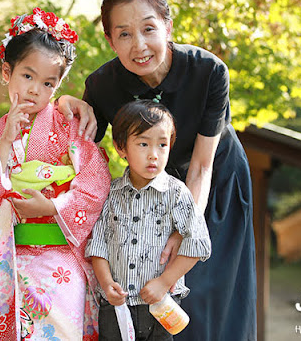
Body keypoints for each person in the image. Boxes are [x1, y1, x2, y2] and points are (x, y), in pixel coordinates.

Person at [60, 0, 256, 341]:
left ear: (168, 26)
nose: (139, 46)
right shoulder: (103, 84)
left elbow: (201, 166)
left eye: (149, 28)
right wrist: (63, 103)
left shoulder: (210, 71)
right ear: (109, 40)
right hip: (150, 189)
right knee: (154, 289)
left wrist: (185, 229)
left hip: (216, 181)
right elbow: (82, 148)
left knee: (208, 288)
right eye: (124, 34)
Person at [0, 8, 111, 340]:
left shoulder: (70, 126)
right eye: (27, 76)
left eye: (47, 83)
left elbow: (95, 185)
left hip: (60, 264)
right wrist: (5, 141)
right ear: (7, 71)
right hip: (6, 262)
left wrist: (53, 208)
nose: (35, 90)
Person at [86, 100, 211, 340]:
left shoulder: (177, 193)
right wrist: (106, 283)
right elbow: (98, 244)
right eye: (143, 144)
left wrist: (165, 282)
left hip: (161, 303)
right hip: (116, 305)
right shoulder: (111, 194)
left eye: (162, 145)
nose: (154, 154)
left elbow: (198, 243)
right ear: (121, 148)